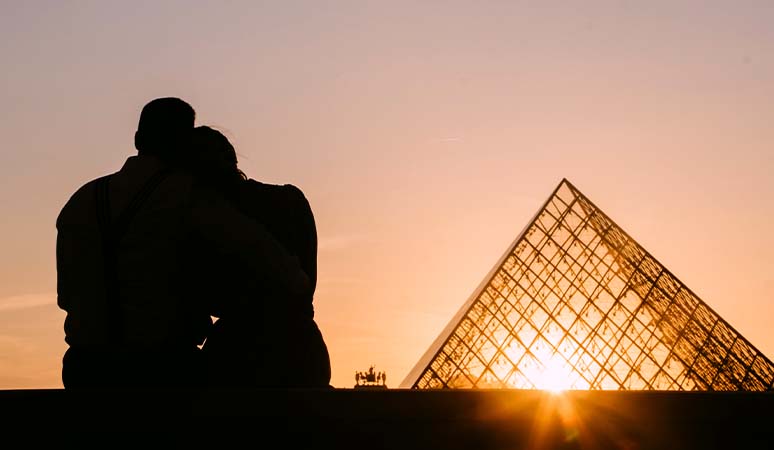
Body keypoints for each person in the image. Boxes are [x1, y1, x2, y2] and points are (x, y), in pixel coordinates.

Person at [56, 98, 311, 388]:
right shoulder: (188, 196)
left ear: (137, 139)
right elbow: (259, 250)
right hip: (164, 369)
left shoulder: (79, 202)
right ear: (185, 142)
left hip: (85, 369)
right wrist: (298, 282)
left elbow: (66, 295)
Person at [186, 126, 331, 388]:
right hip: (303, 351)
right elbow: (306, 285)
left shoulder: (204, 221)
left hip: (236, 357)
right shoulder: (291, 199)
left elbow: (209, 300)